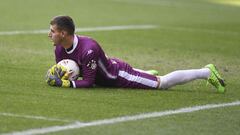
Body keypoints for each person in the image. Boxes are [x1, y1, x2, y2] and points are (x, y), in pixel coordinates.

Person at [46, 15, 226, 93]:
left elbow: (88, 82)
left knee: (162, 83)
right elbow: (69, 70)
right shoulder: (59, 48)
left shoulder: (89, 49)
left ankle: (207, 72)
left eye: (52, 31)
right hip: (108, 71)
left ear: (63, 33)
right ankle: (146, 73)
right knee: (146, 76)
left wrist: (65, 84)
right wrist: (58, 75)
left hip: (118, 76)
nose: (49, 34)